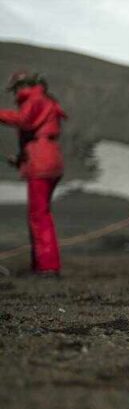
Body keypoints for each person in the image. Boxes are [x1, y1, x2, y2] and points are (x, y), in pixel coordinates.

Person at [0, 71, 66, 277]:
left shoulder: (35, 99)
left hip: (41, 163)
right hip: (48, 159)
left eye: (16, 88)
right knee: (40, 214)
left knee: (39, 216)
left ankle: (47, 266)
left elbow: (24, 121)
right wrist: (21, 159)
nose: (16, 93)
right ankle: (42, 265)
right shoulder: (44, 99)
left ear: (23, 86)